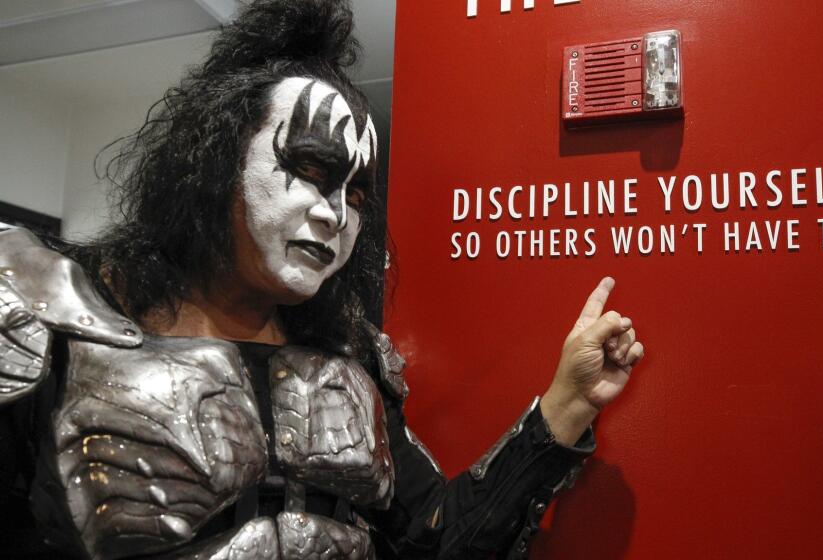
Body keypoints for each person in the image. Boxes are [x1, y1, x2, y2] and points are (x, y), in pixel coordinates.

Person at [0, 1, 643, 558]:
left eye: (357, 195)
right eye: (310, 168)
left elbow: (437, 541)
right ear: (214, 161)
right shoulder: (51, 311)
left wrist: (568, 402)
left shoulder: (350, 360)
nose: (334, 214)